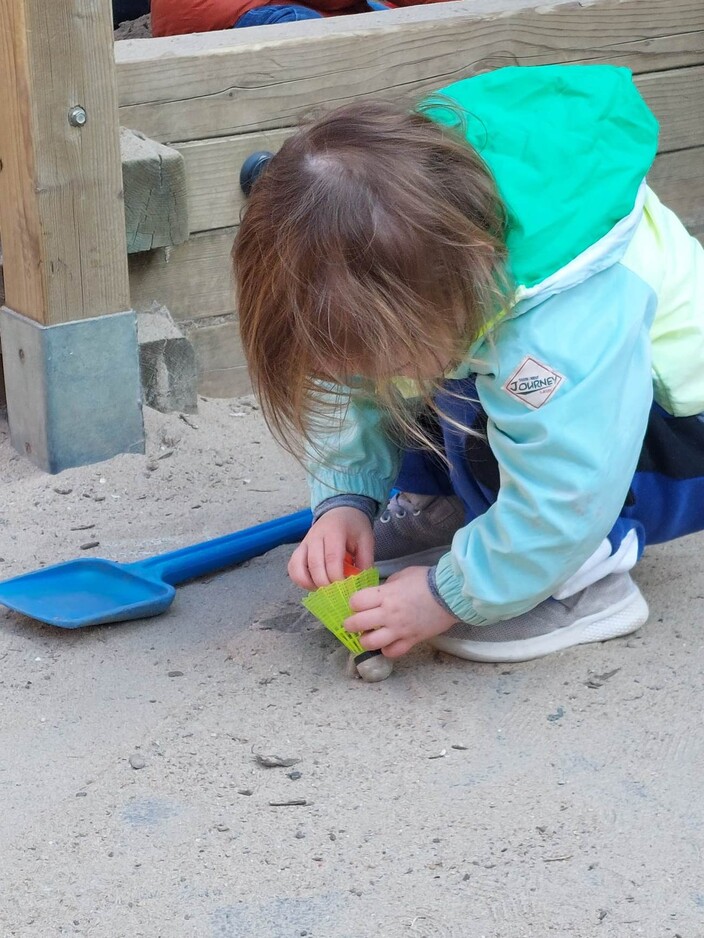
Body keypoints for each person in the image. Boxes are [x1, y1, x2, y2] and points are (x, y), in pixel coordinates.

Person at [232, 64, 704, 664]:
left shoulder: (557, 327)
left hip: (665, 440)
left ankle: (584, 581)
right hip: (553, 393)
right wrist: (346, 499)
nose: (360, 375)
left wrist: (449, 596)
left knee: (483, 392)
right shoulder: (415, 231)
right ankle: (458, 508)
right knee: (423, 365)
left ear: (473, 269)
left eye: (375, 361)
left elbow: (567, 489)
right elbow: (352, 383)